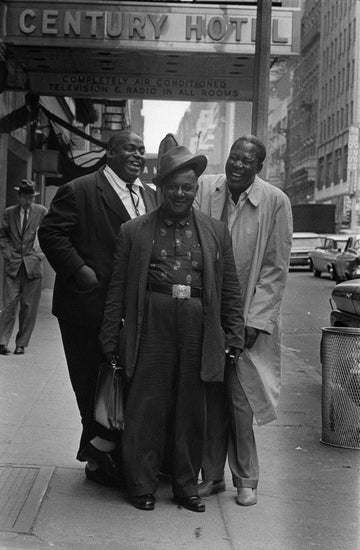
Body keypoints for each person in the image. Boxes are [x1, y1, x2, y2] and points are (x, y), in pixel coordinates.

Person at [99, 146, 245, 512]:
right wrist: (109, 337)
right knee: (146, 406)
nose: (181, 194)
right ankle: (141, 484)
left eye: (188, 187)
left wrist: (234, 334)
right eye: (173, 187)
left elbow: (229, 287)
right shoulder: (134, 231)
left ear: (196, 188)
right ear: (161, 188)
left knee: (191, 409)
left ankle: (185, 486)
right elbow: (117, 287)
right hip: (152, 321)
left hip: (198, 324)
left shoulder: (215, 231)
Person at [38, 130, 157, 487]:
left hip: (129, 309)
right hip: (86, 308)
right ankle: (99, 457)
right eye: (129, 149)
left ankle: (100, 453)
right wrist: (80, 270)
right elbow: (51, 234)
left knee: (120, 382)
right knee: (91, 383)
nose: (137, 155)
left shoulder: (148, 197)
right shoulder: (80, 190)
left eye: (141, 150)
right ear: (110, 152)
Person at [195, 135, 293, 506]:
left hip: (248, 318)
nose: (237, 165)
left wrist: (255, 321)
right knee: (209, 398)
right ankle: (211, 476)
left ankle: (246, 479)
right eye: (233, 157)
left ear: (258, 167)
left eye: (246, 161)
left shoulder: (275, 201)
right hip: (207, 313)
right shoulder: (207, 188)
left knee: (241, 400)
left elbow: (275, 266)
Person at [0, 179, 47, 356]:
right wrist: (8, 255)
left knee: (28, 306)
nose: (28, 201)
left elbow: (49, 235)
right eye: (25, 197)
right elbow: (3, 236)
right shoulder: (9, 213)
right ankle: (2, 342)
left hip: (33, 267)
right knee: (9, 304)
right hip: (13, 266)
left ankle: (21, 344)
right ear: (19, 197)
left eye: (31, 198)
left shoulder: (41, 212)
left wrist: (40, 254)